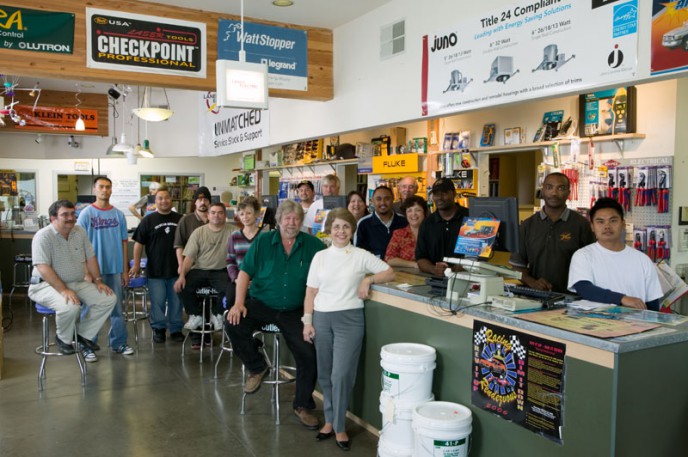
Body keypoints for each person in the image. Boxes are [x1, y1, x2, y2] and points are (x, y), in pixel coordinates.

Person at [226, 200, 325, 430]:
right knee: (233, 322)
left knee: (308, 353)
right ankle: (258, 366)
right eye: (287, 218)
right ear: (279, 220)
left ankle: (302, 405)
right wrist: (239, 303)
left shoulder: (313, 245)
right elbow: (244, 273)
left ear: (302, 221)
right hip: (263, 304)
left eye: (296, 218)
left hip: (295, 311)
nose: (291, 222)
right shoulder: (262, 241)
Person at [303, 208, 394, 450]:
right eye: (336, 227)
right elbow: (310, 292)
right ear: (329, 230)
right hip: (322, 318)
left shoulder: (360, 255)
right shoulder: (320, 257)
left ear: (352, 229)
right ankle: (330, 420)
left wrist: (368, 279)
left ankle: (340, 426)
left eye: (345, 226)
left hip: (350, 320)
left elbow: (389, 271)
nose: (341, 231)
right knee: (325, 374)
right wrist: (307, 321)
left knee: (341, 374)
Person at [28, 200, 117, 363]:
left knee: (108, 298)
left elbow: (90, 257)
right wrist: (63, 290)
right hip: (44, 285)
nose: (70, 218)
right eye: (65, 214)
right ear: (53, 218)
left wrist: (98, 281)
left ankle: (83, 335)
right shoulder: (43, 236)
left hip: (75, 282)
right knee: (70, 306)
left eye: (72, 213)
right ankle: (63, 339)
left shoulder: (79, 232)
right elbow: (43, 267)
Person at [568, 198, 662, 310]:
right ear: (592, 226)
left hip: (636, 325)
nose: (607, 226)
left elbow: (653, 304)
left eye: (613, 220)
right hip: (597, 324)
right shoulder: (583, 255)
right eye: (600, 221)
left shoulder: (643, 260)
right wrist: (622, 298)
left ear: (623, 224)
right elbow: (585, 289)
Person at [77, 176, 134, 356]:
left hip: (115, 269)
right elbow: (79, 245)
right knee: (91, 309)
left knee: (116, 308)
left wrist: (125, 270)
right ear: (94, 189)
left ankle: (119, 343)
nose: (105, 190)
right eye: (101, 187)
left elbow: (125, 243)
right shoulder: (86, 214)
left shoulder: (118, 215)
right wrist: (86, 271)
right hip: (94, 272)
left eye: (108, 187)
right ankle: (87, 346)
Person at [510, 172, 595, 293]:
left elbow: (591, 265)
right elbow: (517, 265)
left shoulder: (581, 224)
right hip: (536, 296)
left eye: (560, 188)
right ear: (542, 191)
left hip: (572, 298)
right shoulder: (527, 226)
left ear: (568, 193)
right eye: (549, 187)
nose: (554, 193)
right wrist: (532, 282)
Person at [131, 185, 185, 343]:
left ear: (171, 199)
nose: (164, 201)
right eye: (160, 198)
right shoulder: (148, 220)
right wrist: (135, 265)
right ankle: (159, 329)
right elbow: (138, 244)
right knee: (157, 302)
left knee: (176, 301)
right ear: (155, 201)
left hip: (177, 270)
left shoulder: (180, 219)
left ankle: (176, 329)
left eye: (167, 197)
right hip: (155, 270)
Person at [174, 202, 234, 332]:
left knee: (230, 289)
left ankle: (217, 314)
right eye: (213, 213)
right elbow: (189, 258)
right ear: (207, 215)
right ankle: (196, 315)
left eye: (220, 213)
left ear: (225, 216)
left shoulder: (233, 231)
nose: (216, 216)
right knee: (181, 286)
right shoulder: (198, 232)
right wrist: (182, 276)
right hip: (200, 270)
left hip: (221, 271)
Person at [415, 177, 468, 276]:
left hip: (467, 280)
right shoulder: (427, 223)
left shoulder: (470, 218)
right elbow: (421, 258)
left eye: (444, 193)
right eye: (436, 194)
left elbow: (479, 257)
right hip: (435, 283)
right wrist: (434, 269)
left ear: (454, 193)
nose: (439, 197)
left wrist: (454, 269)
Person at [226, 197, 265, 306]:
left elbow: (268, 263)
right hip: (238, 279)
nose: (245, 217)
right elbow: (230, 261)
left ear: (257, 214)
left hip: (259, 281)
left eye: (248, 213)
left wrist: (256, 281)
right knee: (230, 300)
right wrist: (237, 279)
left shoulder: (265, 237)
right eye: (242, 214)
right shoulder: (234, 236)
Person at [355, 186, 408, 258]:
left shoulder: (404, 221)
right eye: (378, 199)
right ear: (372, 201)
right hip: (373, 268)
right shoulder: (363, 224)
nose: (382, 202)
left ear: (393, 199)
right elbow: (358, 253)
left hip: (400, 267)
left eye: (387, 199)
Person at [385, 196, 428, 269]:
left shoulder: (433, 233)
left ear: (424, 212)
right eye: (409, 211)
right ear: (406, 214)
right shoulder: (399, 234)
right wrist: (414, 264)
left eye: (418, 210)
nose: (413, 214)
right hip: (405, 276)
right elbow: (389, 259)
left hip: (431, 276)